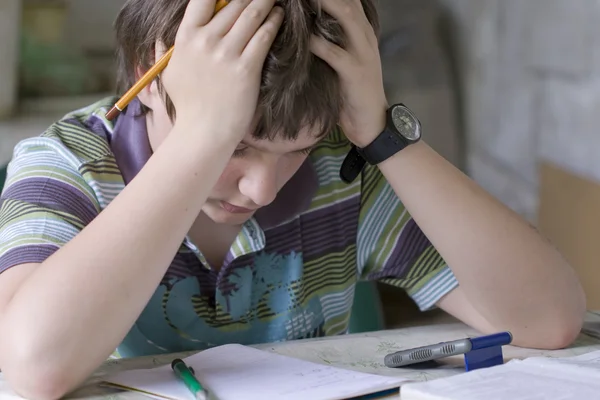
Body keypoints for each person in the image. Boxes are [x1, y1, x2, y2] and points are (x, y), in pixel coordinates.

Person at [0, 0, 586, 398]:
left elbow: (547, 321)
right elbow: (32, 364)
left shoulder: (342, 170)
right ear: (147, 76)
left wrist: (381, 135)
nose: (263, 188)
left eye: (296, 150)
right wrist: (203, 138)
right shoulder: (70, 166)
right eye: (237, 147)